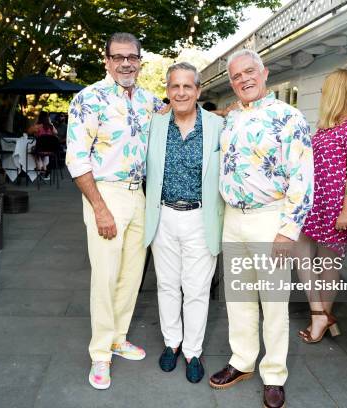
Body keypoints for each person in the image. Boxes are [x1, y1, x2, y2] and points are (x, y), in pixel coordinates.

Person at [209, 49, 313, 408]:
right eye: (236, 76)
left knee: (274, 303)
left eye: (249, 72)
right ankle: (242, 361)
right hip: (233, 219)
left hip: (271, 220)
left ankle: (274, 374)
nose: (243, 80)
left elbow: (303, 178)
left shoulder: (290, 117)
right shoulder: (232, 118)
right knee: (238, 298)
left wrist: (288, 230)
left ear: (264, 72)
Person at [65, 32, 163, 390]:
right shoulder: (87, 99)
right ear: (106, 60)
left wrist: (229, 112)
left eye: (132, 57)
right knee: (105, 277)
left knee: (131, 274)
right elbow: (76, 160)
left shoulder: (150, 101)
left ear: (140, 61)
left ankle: (118, 338)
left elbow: (181, 115)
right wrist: (100, 208)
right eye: (118, 57)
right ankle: (100, 355)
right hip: (104, 194)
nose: (125, 63)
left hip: (139, 196)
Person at [144, 62, 224, 383]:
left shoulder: (217, 126)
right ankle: (171, 343)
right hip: (163, 216)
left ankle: (193, 350)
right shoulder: (155, 124)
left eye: (187, 86)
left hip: (200, 217)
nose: (180, 92)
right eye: (174, 86)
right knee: (166, 285)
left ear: (198, 91)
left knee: (196, 289)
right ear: (167, 91)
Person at [296, 68, 347, 343]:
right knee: (301, 250)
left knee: (328, 262)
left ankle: (321, 318)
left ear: (338, 91)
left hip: (339, 203)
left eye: (326, 89)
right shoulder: (328, 124)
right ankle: (321, 314)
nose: (322, 94)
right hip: (317, 201)